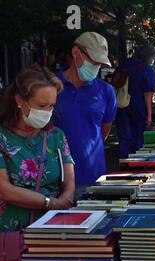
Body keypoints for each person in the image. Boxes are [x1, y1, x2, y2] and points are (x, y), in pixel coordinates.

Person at [0, 65, 77, 261]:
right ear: (19, 101)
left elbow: (69, 177)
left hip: (52, 237)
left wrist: (66, 198)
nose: (47, 112)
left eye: (51, 106)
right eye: (41, 106)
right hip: (11, 240)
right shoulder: (2, 138)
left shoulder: (56, 136)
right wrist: (51, 203)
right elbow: (4, 189)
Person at [52, 32, 117, 199]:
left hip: (93, 176)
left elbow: (104, 132)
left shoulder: (106, 91)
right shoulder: (51, 87)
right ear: (76, 53)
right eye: (92, 61)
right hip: (55, 180)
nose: (96, 66)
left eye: (99, 63)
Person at [114, 45, 155, 159]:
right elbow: (147, 93)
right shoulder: (146, 69)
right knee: (138, 137)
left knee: (124, 136)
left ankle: (123, 163)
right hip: (139, 106)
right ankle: (136, 164)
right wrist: (149, 114)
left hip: (121, 104)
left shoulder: (124, 63)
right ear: (148, 56)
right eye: (153, 57)